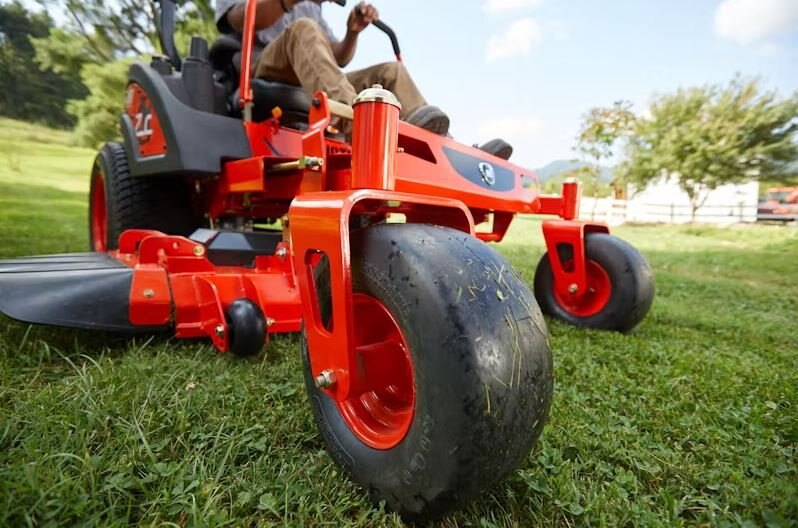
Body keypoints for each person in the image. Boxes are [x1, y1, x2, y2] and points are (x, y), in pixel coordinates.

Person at [215, 0, 513, 158]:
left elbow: (337, 57)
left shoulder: (312, 9)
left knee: (391, 72)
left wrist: (352, 32)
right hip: (262, 67)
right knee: (303, 28)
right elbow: (238, 19)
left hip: (309, 75)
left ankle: (445, 151)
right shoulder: (303, 15)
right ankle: (361, 127)